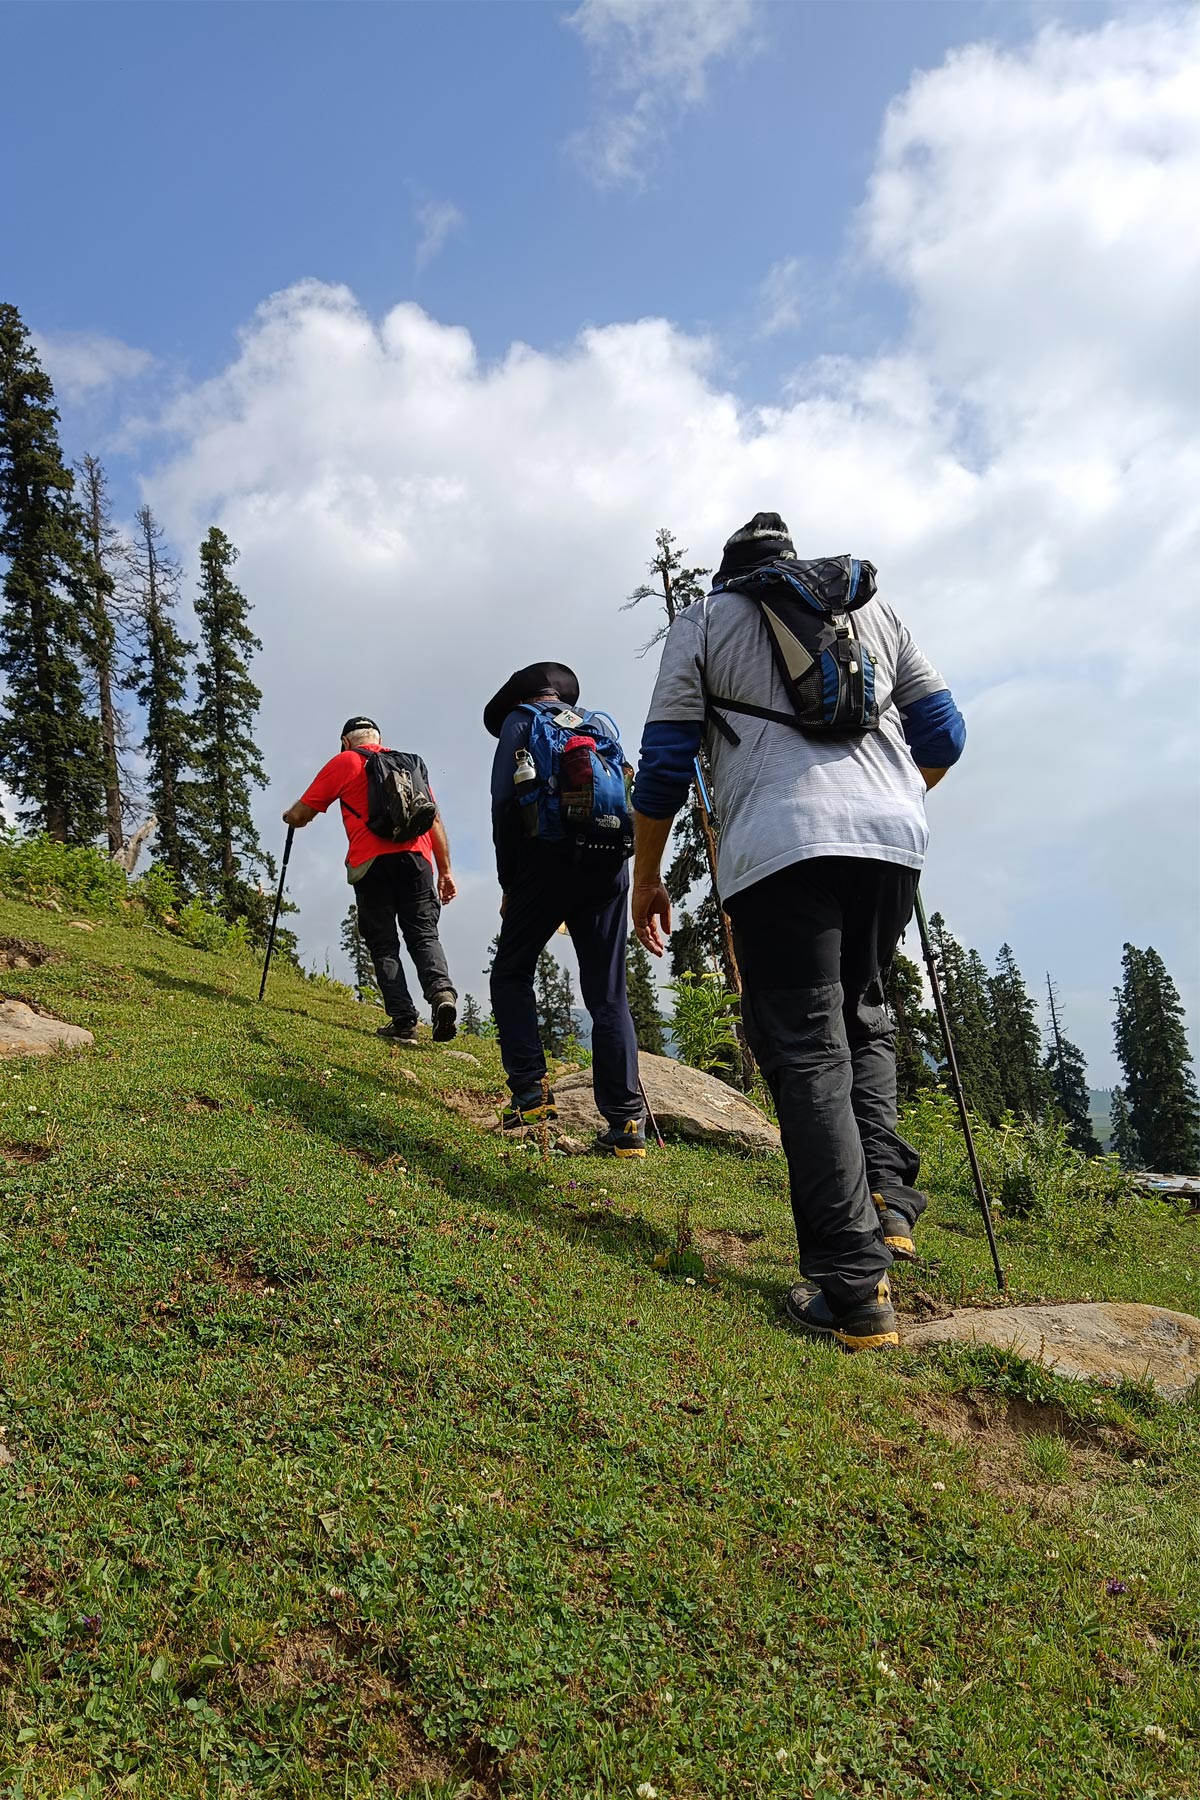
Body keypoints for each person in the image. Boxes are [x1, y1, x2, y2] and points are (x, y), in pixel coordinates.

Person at [630, 514, 966, 1349]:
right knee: (863, 1015)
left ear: (728, 574)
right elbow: (945, 735)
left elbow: (668, 760)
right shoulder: (872, 610)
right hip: (893, 842)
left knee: (809, 1047)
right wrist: (888, 801)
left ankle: (853, 1294)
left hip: (781, 851)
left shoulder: (704, 621)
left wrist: (645, 878)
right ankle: (887, 1202)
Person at [485, 661, 646, 1157]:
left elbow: (505, 805)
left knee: (510, 972)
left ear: (522, 694)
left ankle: (530, 1094)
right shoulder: (599, 725)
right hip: (607, 866)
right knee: (608, 994)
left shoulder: (521, 721)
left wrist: (510, 881)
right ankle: (627, 1127)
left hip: (546, 863)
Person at [282, 716, 458, 1044]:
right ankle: (442, 994)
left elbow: (302, 814)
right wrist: (445, 872)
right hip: (417, 859)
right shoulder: (409, 763)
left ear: (345, 741)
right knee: (423, 934)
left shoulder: (345, 761)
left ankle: (404, 1020)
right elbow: (433, 819)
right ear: (378, 739)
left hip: (371, 862)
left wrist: (288, 816)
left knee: (383, 942)